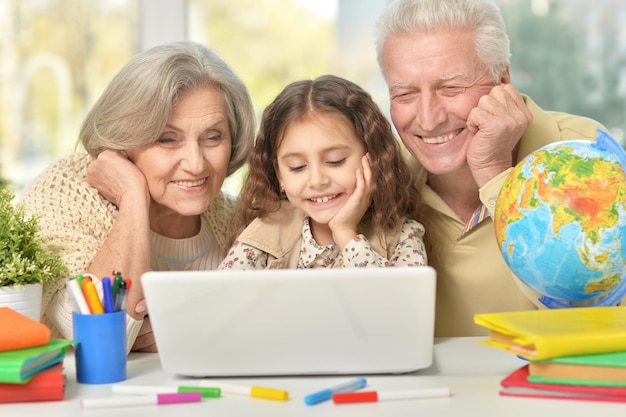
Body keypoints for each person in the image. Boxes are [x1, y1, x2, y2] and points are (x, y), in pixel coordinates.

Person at [374, 0, 607, 337]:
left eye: (451, 88)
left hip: (554, 387)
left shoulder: (588, 154)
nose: (428, 118)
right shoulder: (382, 185)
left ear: (502, 80)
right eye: (405, 93)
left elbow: (598, 322)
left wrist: (497, 177)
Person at [21, 41, 255, 352]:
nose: (196, 163)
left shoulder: (237, 220)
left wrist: (183, 324)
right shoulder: (64, 194)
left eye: (213, 137)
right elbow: (99, 337)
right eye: (167, 139)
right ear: (122, 142)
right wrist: (132, 197)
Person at [219, 74, 427, 270]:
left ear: (373, 158)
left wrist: (345, 233)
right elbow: (220, 299)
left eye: (335, 161)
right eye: (297, 167)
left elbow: (398, 304)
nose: (317, 181)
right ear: (280, 175)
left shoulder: (404, 236)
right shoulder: (265, 231)